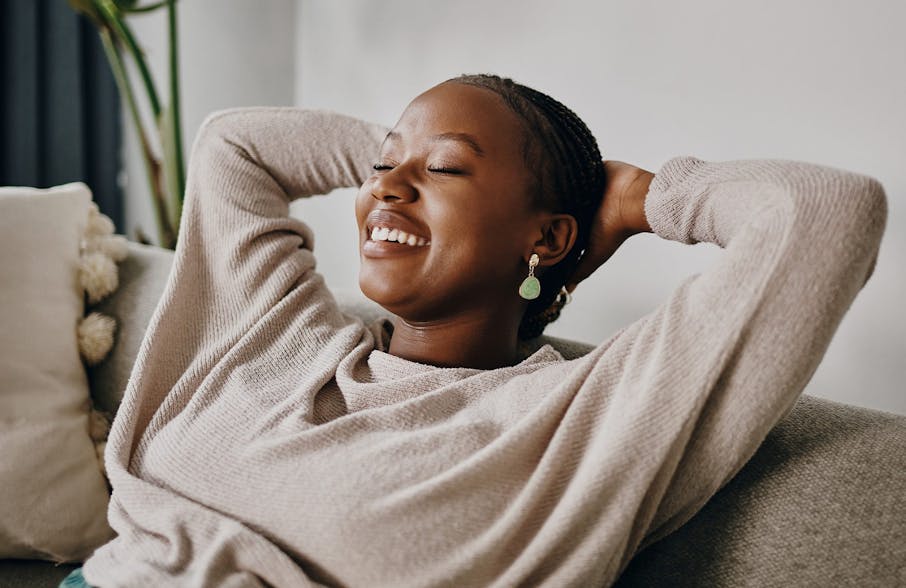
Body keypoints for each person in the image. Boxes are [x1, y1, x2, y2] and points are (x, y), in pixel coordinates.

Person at [72, 74, 887, 587]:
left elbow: (825, 213)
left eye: (448, 169)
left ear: (551, 236)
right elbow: (234, 146)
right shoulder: (279, 334)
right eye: (381, 169)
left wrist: (637, 199)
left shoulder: (582, 423)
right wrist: (406, 158)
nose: (384, 189)